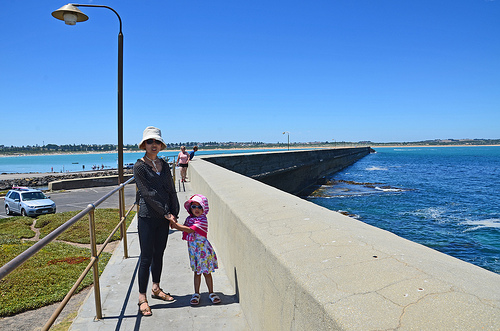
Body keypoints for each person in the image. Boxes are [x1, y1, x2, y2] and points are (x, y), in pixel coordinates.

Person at [134, 126, 180, 316]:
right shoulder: (139, 167)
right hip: (147, 216)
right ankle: (142, 297)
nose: (154, 145)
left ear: (161, 145)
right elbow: (147, 194)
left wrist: (174, 212)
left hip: (163, 217)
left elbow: (170, 189)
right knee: (146, 257)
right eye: (150, 141)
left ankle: (156, 288)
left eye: (157, 142)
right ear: (144, 145)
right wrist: (165, 213)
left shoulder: (164, 164)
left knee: (159, 254)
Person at [169, 194, 221, 305]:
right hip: (194, 251)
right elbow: (185, 227)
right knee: (197, 272)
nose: (196, 209)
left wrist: (175, 225)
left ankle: (211, 292)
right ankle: (196, 293)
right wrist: (175, 224)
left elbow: (189, 230)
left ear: (204, 209)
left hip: (203, 251)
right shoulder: (190, 219)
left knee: (207, 272)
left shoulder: (202, 220)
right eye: (194, 206)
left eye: (199, 207)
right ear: (190, 208)